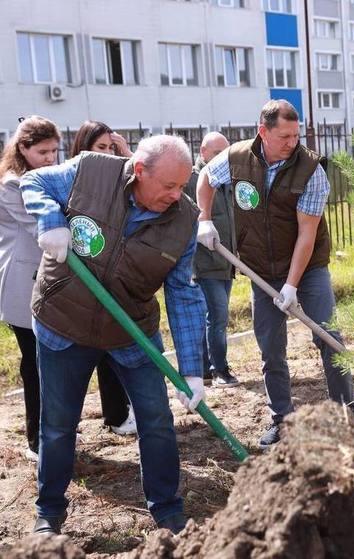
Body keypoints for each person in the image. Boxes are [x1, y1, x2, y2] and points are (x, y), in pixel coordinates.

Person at [20, 135, 206, 535]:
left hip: (131, 331)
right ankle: (49, 513)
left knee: (156, 419)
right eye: (169, 186)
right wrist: (50, 220)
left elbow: (184, 294)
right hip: (64, 323)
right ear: (139, 171)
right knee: (57, 425)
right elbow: (31, 183)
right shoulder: (89, 172)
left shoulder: (184, 220)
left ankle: (168, 511)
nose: (177, 195)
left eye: (183, 186)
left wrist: (192, 370)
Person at [195, 100, 354, 448]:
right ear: (263, 131)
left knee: (326, 335)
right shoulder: (235, 157)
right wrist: (204, 219)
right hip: (261, 267)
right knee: (271, 348)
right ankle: (282, 419)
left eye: (296, 134)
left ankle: (347, 410)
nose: (293, 142)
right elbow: (204, 178)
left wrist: (292, 285)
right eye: (284, 136)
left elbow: (307, 234)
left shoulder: (311, 170)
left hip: (308, 268)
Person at [68, 121, 136, 436]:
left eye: (111, 148)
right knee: (77, 358)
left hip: (114, 275)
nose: (108, 155)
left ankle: (117, 414)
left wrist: (125, 152)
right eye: (101, 148)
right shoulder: (72, 180)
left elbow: (145, 179)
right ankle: (68, 423)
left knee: (112, 348)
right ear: (84, 149)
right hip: (81, 280)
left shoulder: (119, 180)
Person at [0, 115, 60, 462]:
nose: (51, 157)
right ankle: (36, 438)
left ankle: (54, 427)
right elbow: (37, 223)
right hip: (23, 280)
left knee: (50, 359)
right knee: (34, 361)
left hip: (46, 278)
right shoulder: (12, 184)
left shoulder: (45, 175)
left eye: (54, 150)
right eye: (42, 151)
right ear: (22, 149)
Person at [184, 132, 240, 387]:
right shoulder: (192, 179)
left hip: (226, 263)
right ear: (203, 152)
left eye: (225, 153)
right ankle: (220, 370)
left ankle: (206, 368)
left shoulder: (225, 180)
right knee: (217, 317)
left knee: (213, 317)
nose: (222, 159)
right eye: (217, 153)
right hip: (204, 263)